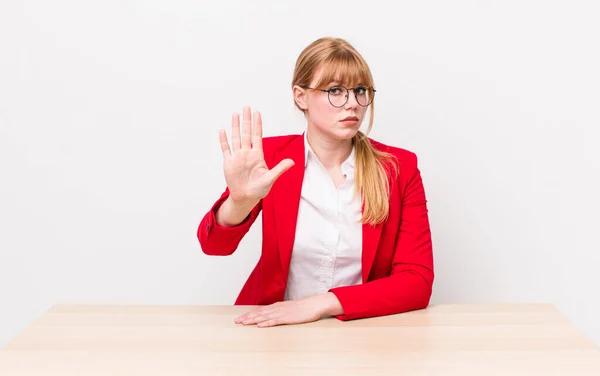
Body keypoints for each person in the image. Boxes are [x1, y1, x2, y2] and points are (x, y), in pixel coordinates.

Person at [197, 37, 434, 328]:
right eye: (336, 91)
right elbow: (213, 246)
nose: (353, 104)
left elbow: (416, 282)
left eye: (360, 91)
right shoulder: (269, 158)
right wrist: (239, 202)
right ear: (300, 96)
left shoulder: (398, 168)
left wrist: (319, 305)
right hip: (271, 328)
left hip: (362, 329)